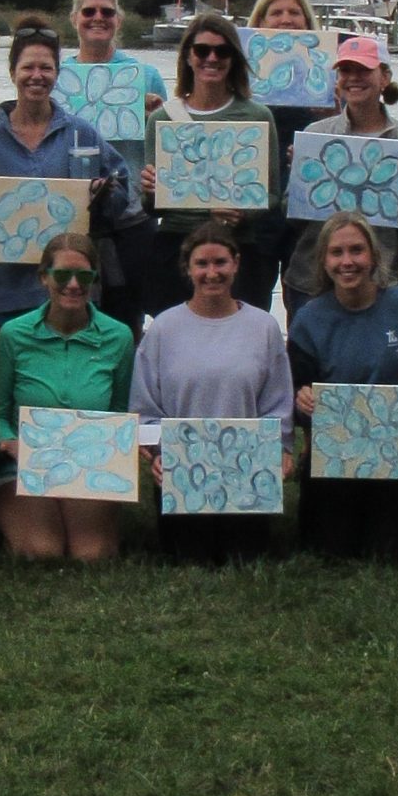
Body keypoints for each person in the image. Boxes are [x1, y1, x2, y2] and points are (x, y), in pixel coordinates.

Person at [130, 220, 297, 563]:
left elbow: (278, 402)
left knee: (245, 556)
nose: (211, 273)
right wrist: (159, 454)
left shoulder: (263, 327)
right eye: (201, 264)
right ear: (187, 269)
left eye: (220, 262)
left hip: (247, 470)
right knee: (188, 556)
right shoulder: (163, 328)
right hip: (182, 471)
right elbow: (145, 405)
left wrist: (280, 448)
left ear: (236, 263)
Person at [288, 213, 398, 562]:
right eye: (337, 252)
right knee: (331, 553)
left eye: (357, 251)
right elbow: (294, 387)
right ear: (323, 260)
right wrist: (301, 398)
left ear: (374, 256)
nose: (347, 262)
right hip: (336, 455)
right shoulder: (309, 319)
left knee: (394, 554)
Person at [0, 19, 136, 326]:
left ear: (57, 74)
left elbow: (122, 187)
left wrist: (105, 194)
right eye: (28, 67)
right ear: (13, 72)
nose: (37, 76)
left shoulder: (82, 134)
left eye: (46, 68)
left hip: (75, 291)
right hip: (12, 294)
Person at [0, 231, 138, 560]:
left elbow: (119, 413)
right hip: (22, 465)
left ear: (95, 279)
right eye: (62, 274)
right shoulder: (14, 335)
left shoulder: (119, 337)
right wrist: (7, 441)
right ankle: (14, 518)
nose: (73, 284)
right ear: (44, 277)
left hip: (89, 466)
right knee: (41, 550)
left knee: (93, 554)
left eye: (84, 275)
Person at [142, 11, 281, 313]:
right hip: (176, 246)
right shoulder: (162, 118)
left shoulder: (258, 117)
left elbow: (272, 195)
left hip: (237, 248)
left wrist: (244, 212)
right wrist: (151, 190)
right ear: (188, 57)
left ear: (234, 58)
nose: (212, 58)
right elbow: (153, 207)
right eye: (202, 50)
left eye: (223, 50)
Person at [281, 35, 398, 325]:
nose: (354, 78)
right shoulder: (315, 133)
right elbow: (290, 217)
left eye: (364, 70)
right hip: (313, 282)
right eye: (346, 71)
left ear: (385, 77)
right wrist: (299, 185)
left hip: (387, 281)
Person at [62, 0, 168, 335]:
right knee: (70, 315)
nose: (98, 18)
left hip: (131, 219)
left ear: (118, 20)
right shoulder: (58, 76)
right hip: (71, 218)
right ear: (74, 18)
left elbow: (164, 144)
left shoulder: (145, 75)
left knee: (126, 322)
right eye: (89, 12)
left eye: (107, 12)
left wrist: (154, 113)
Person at [244, 0, 328, 311]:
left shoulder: (326, 77)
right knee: (250, 306)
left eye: (295, 13)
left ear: (308, 23)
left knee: (307, 307)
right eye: (275, 12)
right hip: (256, 206)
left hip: (307, 208)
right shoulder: (240, 79)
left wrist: (332, 110)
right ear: (259, 22)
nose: (285, 19)